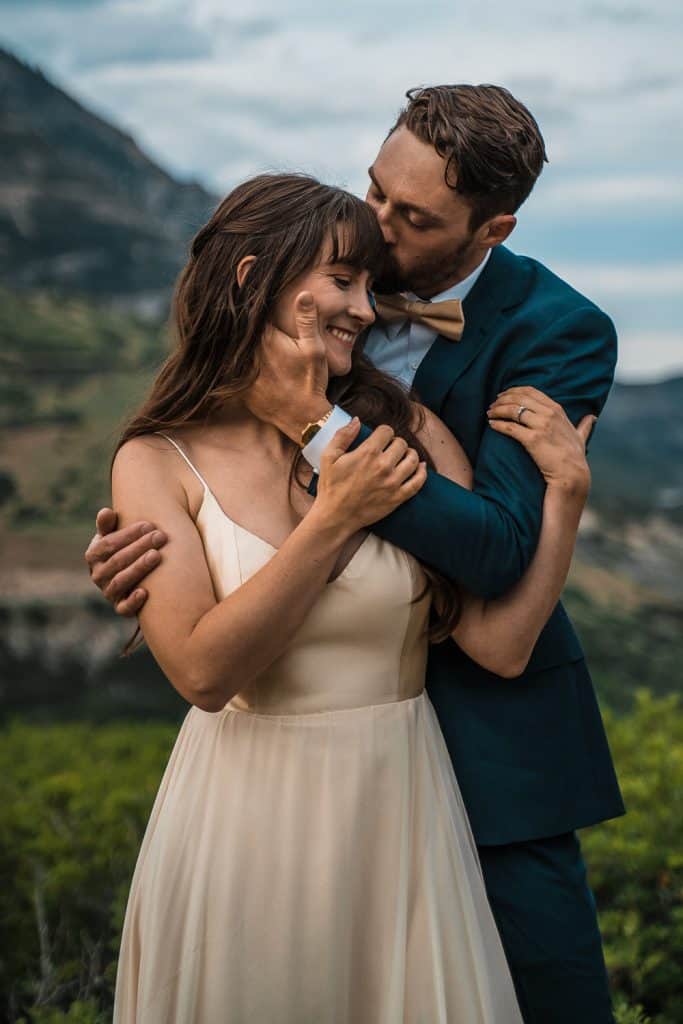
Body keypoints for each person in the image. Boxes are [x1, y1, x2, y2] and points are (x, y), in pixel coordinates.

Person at [89, 86, 625, 1024]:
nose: (375, 234)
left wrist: (319, 429)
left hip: (484, 739)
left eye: (410, 218)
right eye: (374, 191)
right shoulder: (322, 289)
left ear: (490, 227)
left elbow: (497, 551)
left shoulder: (555, 328)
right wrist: (167, 553)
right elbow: (207, 460)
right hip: (272, 773)